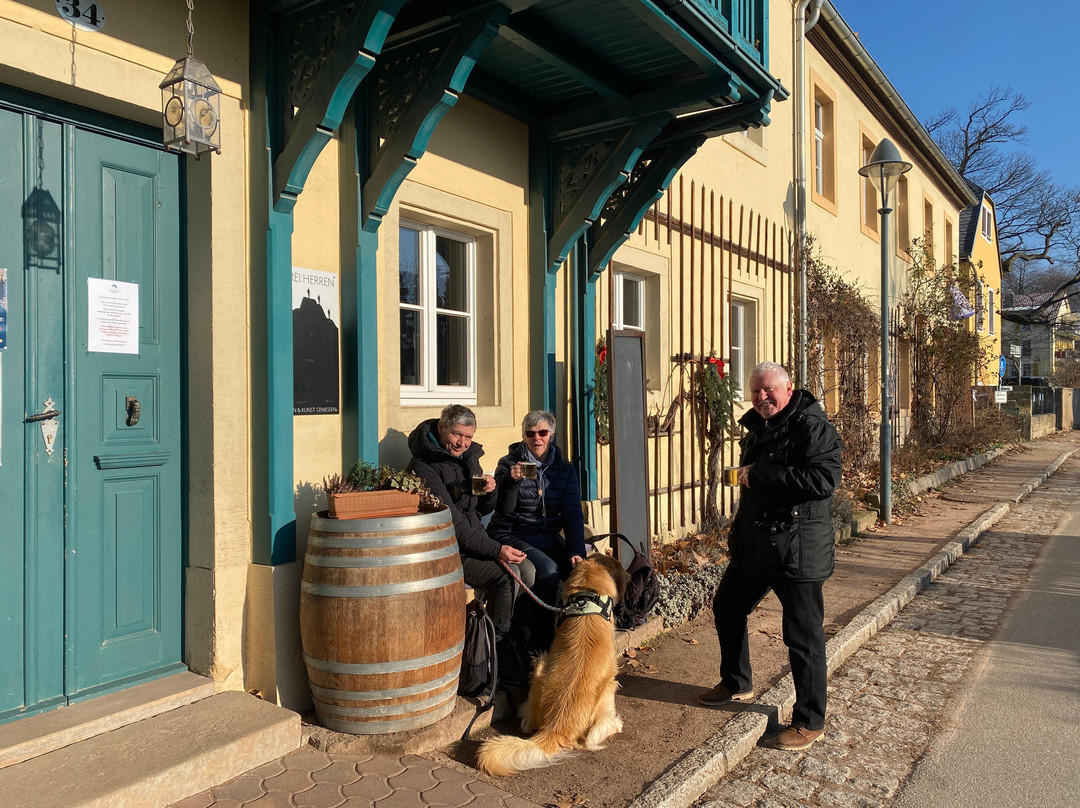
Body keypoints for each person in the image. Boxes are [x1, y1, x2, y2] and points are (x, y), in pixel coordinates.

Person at [699, 361, 842, 751]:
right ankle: (736, 681)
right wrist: (738, 535)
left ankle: (810, 721)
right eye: (756, 392)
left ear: (789, 387)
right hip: (757, 546)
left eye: (768, 390)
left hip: (798, 550)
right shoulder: (760, 427)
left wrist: (759, 473)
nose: (762, 398)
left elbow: (823, 481)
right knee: (727, 605)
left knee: (803, 637)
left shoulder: (813, 427)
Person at [407, 404, 535, 684]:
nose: (462, 443)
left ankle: (510, 641)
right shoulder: (423, 467)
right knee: (507, 574)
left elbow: (479, 509)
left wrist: (490, 489)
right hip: (445, 552)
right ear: (441, 428)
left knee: (528, 570)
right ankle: (495, 654)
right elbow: (452, 524)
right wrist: (496, 550)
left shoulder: (468, 457)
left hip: (472, 540)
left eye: (467, 437)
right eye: (457, 435)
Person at [488, 410, 587, 652]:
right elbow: (501, 509)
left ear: (551, 435)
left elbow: (572, 512)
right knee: (548, 571)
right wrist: (511, 482)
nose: (537, 439)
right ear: (524, 436)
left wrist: (576, 549)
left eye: (542, 433)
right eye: (530, 434)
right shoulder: (508, 464)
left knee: (583, 570)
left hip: (548, 537)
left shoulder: (563, 470)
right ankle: (540, 641)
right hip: (513, 533)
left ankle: (578, 637)